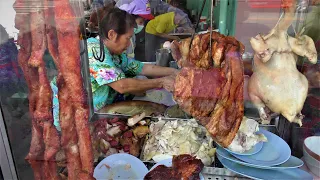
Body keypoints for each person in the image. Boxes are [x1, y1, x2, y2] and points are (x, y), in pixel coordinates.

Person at [51, 8, 177, 130]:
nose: (128, 44)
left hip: (100, 113)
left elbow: (142, 67)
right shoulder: (95, 52)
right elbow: (121, 86)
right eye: (127, 38)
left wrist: (175, 72)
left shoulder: (116, 54)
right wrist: (161, 81)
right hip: (76, 120)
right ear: (112, 34)